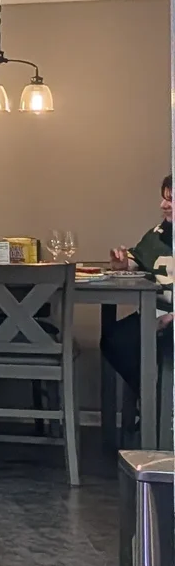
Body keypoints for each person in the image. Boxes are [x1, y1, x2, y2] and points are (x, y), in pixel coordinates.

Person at [101, 175, 173, 417]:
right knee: (115, 340)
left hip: (169, 319)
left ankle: (162, 410)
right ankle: (155, 404)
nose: (163, 206)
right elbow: (137, 259)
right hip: (156, 313)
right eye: (164, 199)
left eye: (171, 200)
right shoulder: (158, 234)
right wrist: (122, 264)